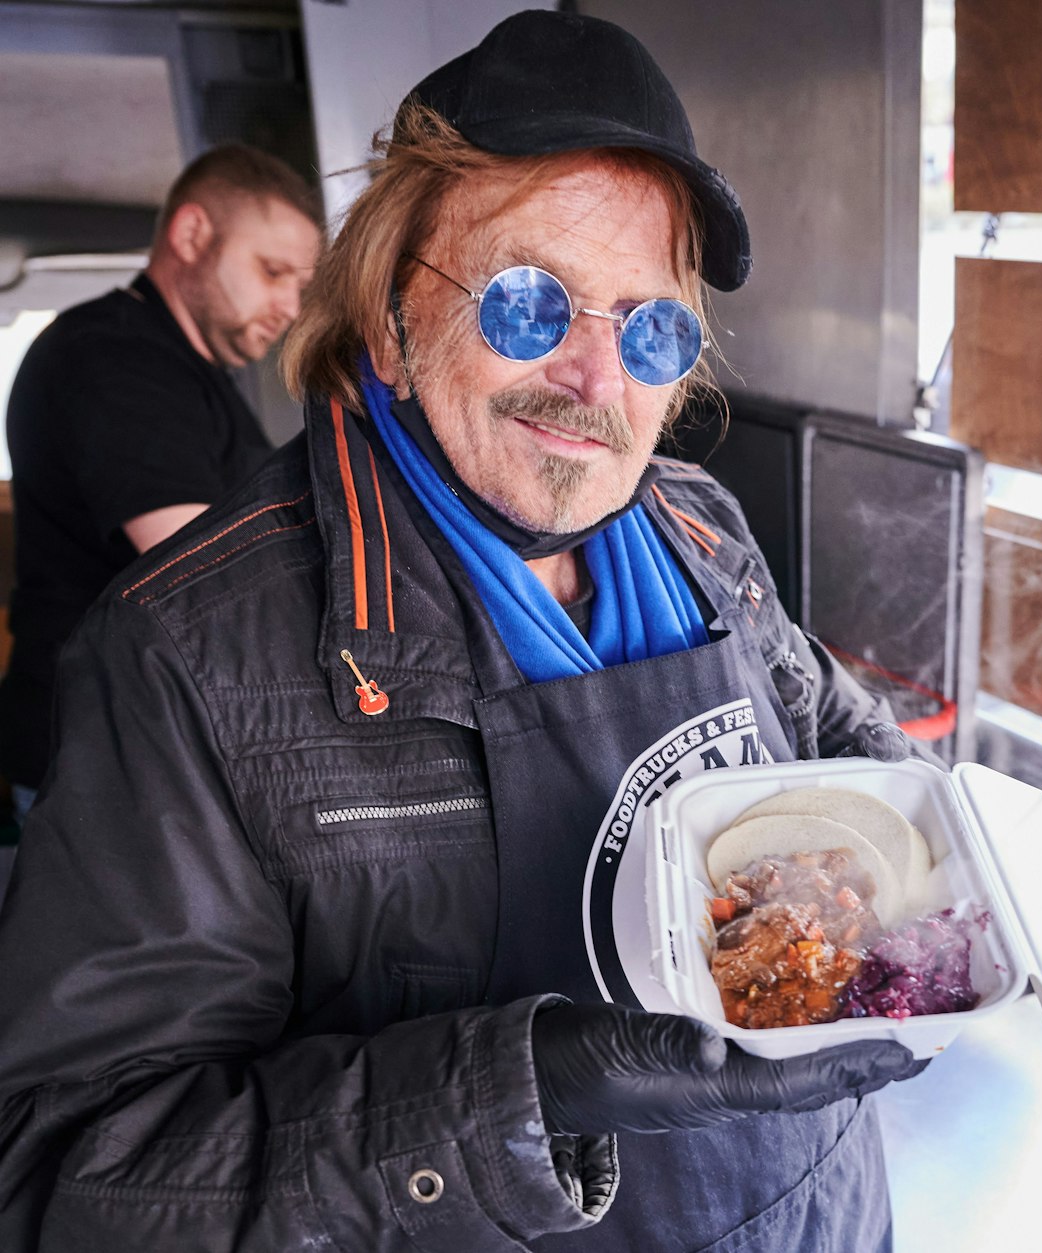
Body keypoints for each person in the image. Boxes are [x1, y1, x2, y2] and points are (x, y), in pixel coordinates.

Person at [0, 13, 926, 1251]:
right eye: (530, 303)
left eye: (649, 326)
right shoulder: (189, 658)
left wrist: (954, 838)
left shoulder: (700, 530)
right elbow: (68, 1178)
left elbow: (829, 734)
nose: (598, 381)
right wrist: (518, 1097)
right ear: (389, 322)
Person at [0, 145, 322, 815]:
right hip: (99, 757)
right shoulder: (113, 356)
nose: (290, 306)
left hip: (144, 746)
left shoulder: (192, 376)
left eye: (300, 284)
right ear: (192, 234)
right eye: (271, 272)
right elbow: (205, 572)